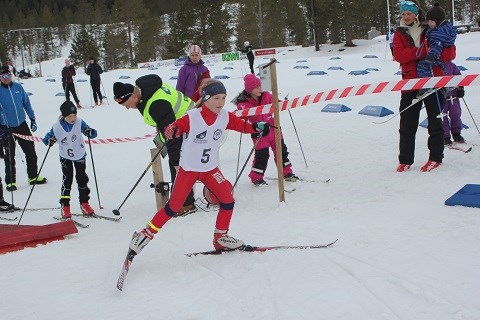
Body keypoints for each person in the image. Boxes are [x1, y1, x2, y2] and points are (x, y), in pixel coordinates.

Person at [127, 79, 270, 256]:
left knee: (228, 200)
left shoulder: (225, 116)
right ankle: (144, 235)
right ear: (206, 98)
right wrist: (171, 129)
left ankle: (220, 237)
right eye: (216, 98)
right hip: (189, 170)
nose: (221, 102)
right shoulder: (193, 116)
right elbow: (177, 126)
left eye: (223, 97)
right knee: (173, 207)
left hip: (210, 170)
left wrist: (256, 127)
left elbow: (241, 126)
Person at [113, 74, 197, 216]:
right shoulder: (145, 90)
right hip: (183, 122)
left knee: (177, 164)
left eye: (127, 105)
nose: (127, 108)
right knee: (176, 161)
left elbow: (172, 134)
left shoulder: (156, 103)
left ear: (133, 96)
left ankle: (186, 204)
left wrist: (175, 158)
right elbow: (166, 120)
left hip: (193, 125)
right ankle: (181, 200)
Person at [393, 0, 456, 172]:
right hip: (410, 83)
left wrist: (436, 53)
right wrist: (421, 52)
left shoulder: (430, 27)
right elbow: (399, 55)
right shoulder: (399, 33)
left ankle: (435, 157)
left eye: (408, 13)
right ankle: (405, 160)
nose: (405, 17)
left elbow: (451, 51)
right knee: (407, 124)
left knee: (435, 122)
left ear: (416, 13)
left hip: (433, 81)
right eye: (403, 14)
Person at [234, 74, 299, 185]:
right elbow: (241, 116)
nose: (260, 89)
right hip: (259, 132)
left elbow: (276, 103)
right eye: (257, 87)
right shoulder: (243, 103)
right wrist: (241, 115)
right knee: (262, 155)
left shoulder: (267, 96)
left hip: (274, 129)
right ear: (249, 90)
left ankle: (287, 172)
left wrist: (283, 103)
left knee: (281, 151)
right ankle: (256, 177)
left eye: (261, 86)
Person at [42, 101, 97, 218]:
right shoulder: (57, 126)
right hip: (65, 156)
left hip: (79, 154)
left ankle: (84, 203)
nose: (73, 118)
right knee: (67, 180)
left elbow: (92, 133)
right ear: (64, 116)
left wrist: (90, 132)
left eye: (74, 115)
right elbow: (47, 138)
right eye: (69, 116)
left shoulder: (79, 122)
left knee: (82, 179)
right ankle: (65, 205)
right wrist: (49, 140)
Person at [0, 66, 47, 191]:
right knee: (9, 155)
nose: (6, 78)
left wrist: (32, 118)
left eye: (8, 75)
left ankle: (33, 176)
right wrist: (3, 126)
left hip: (22, 124)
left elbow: (26, 103)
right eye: (3, 76)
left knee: (30, 151)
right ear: (0, 77)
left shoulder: (18, 87)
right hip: (6, 128)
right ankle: (10, 181)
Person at [416, 3, 457, 85]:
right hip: (441, 58)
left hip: (435, 56)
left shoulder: (437, 33)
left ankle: (427, 84)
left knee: (422, 65)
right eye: (428, 21)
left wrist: (432, 56)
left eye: (431, 21)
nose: (429, 23)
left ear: (438, 21)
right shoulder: (445, 29)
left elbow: (436, 45)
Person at [442, 61, 466, 145]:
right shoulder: (435, 65)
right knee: (443, 117)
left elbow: (459, 78)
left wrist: (461, 88)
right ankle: (445, 136)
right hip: (441, 97)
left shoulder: (452, 65)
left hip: (453, 96)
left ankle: (456, 134)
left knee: (456, 114)